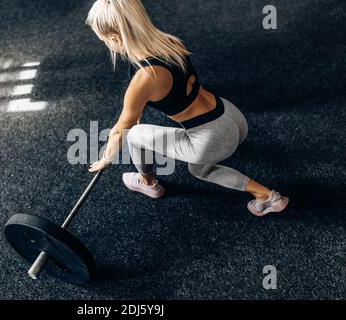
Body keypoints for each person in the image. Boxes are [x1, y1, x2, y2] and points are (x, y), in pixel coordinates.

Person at [87, 0, 289, 216]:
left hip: (211, 138)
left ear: (115, 38)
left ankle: (266, 196)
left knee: (150, 142)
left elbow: (120, 130)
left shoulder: (143, 80)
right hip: (232, 116)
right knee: (142, 130)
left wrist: (105, 159)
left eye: (104, 42)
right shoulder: (170, 42)